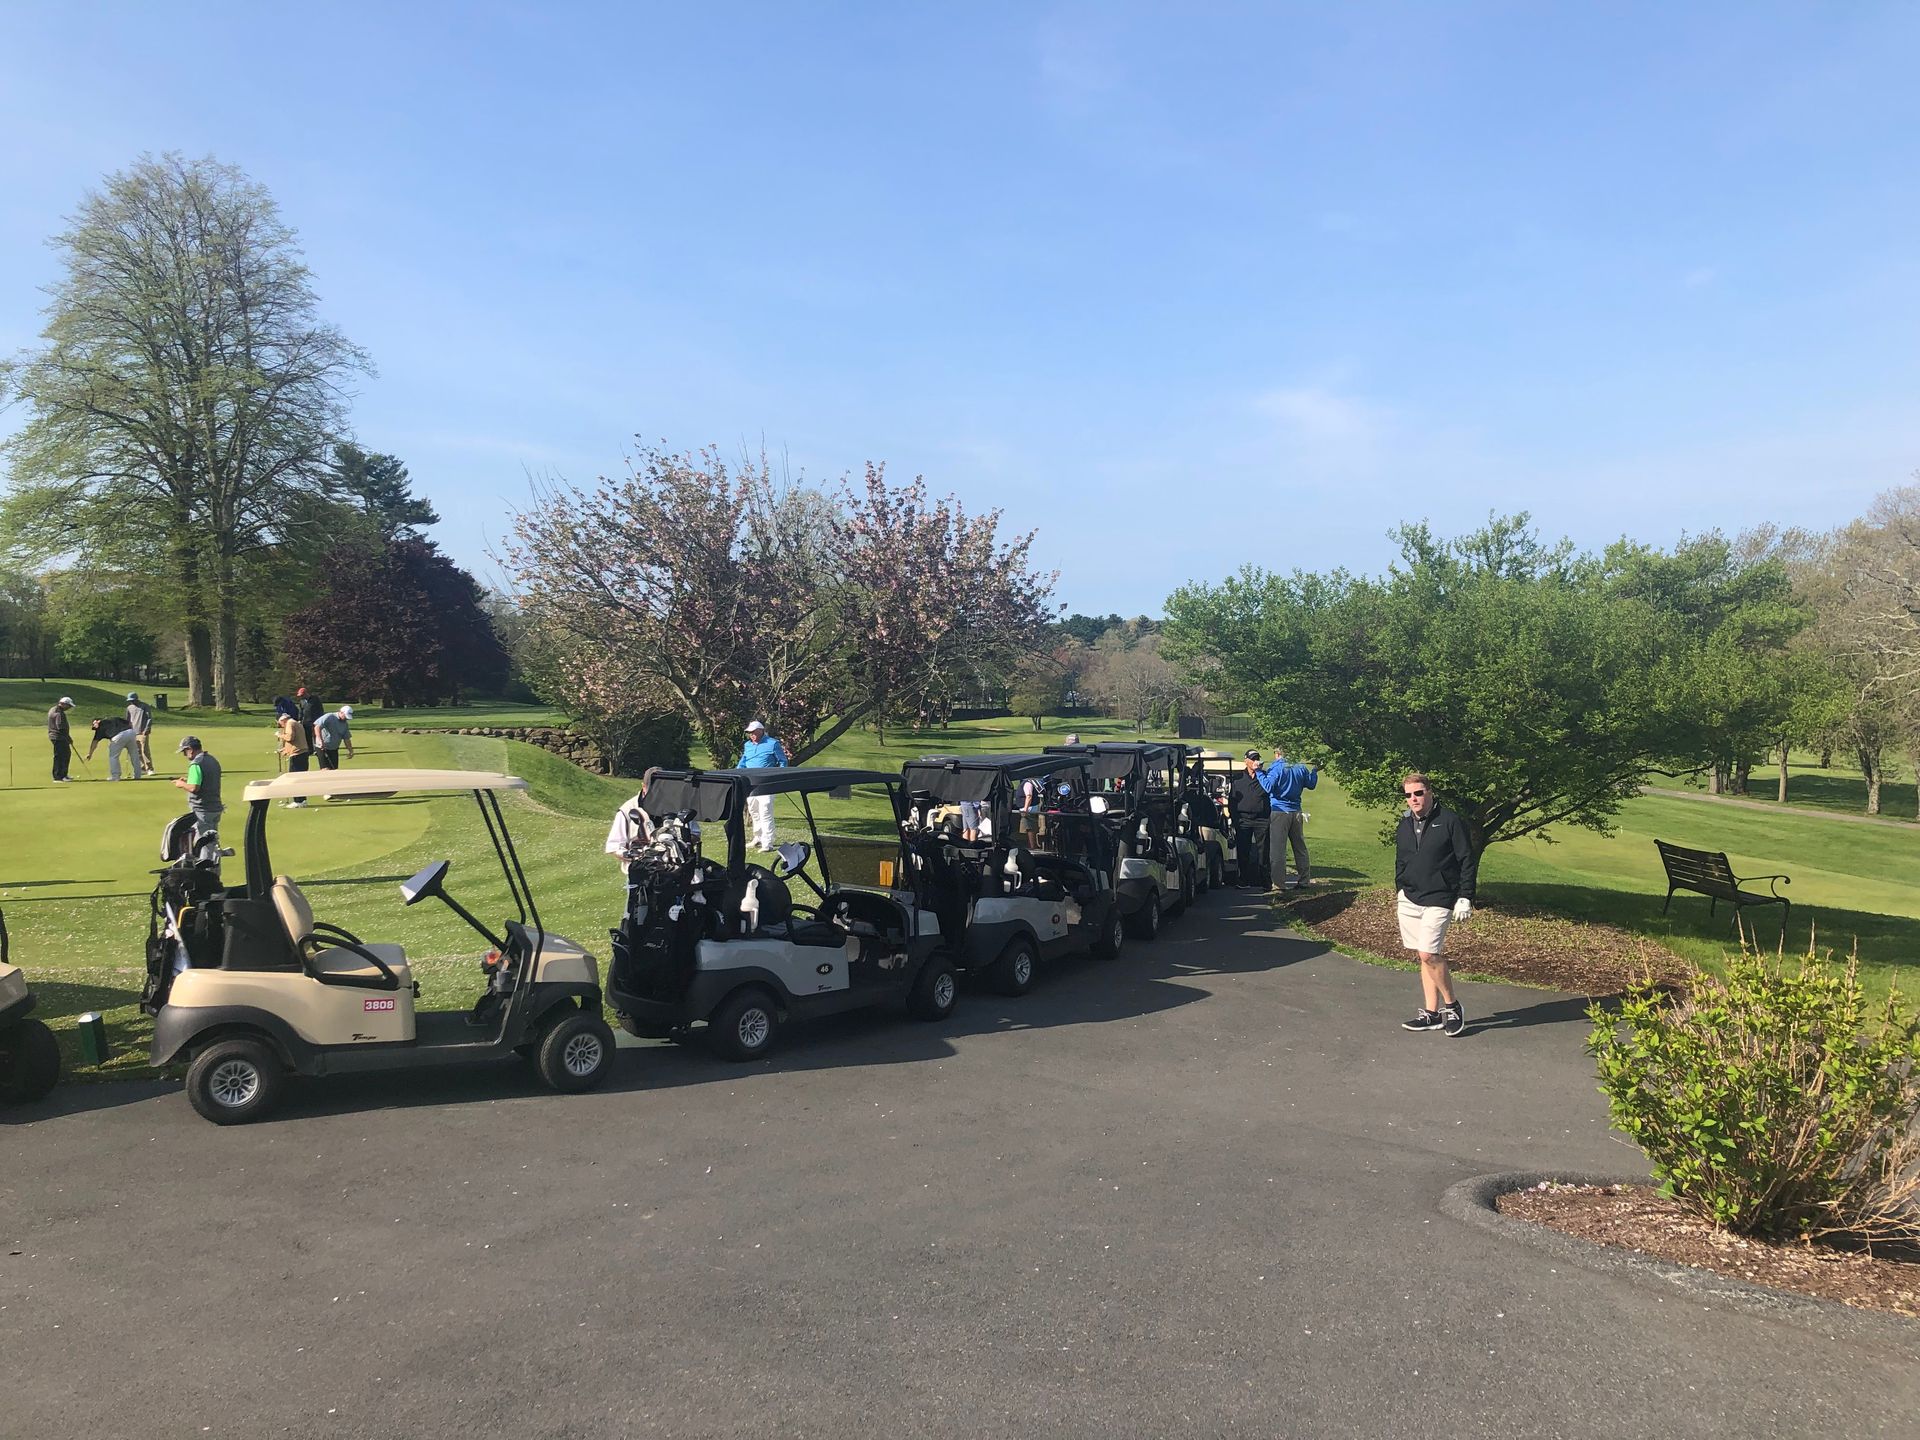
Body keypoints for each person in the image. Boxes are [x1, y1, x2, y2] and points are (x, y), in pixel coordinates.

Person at [1395, 772, 1477, 1038]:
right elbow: (1402, 859)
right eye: (1408, 795)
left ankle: (1452, 1007)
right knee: (1422, 953)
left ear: (1429, 792)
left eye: (1418, 793)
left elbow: (1466, 860)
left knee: (1429, 954)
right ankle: (1431, 1013)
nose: (1414, 799)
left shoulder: (1450, 821)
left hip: (1440, 896)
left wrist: (1466, 895)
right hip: (1410, 896)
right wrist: (1400, 886)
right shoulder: (1404, 824)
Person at [1261, 750, 1319, 889]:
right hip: (1296, 811)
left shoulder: (1276, 768)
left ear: (1277, 753)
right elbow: (1311, 784)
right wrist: (1315, 770)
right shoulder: (1300, 767)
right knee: (1300, 848)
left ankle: (1279, 884)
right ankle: (1304, 880)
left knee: (1278, 850)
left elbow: (1268, 787)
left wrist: (1259, 772)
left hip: (1279, 811)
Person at [736, 719, 788, 850]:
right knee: (754, 811)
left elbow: (782, 761)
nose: (751, 735)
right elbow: (743, 761)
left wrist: (778, 777)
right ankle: (757, 837)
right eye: (749, 733)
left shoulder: (772, 743)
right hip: (750, 783)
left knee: (765, 811)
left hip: (766, 783)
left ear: (761, 731)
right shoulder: (748, 745)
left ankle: (767, 842)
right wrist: (737, 773)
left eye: (753, 732)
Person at [1226, 750, 1271, 888]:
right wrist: (1235, 818)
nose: (1255, 761)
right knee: (1243, 850)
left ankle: (1265, 881)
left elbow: (1270, 792)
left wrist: (1259, 772)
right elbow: (1232, 800)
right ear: (1246, 760)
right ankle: (1244, 879)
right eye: (1252, 759)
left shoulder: (1264, 777)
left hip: (1261, 819)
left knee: (1263, 851)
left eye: (1257, 758)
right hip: (1243, 818)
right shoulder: (1238, 778)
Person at [605, 767, 661, 866]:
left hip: (672, 872)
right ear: (644, 787)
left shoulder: (677, 806)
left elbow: (694, 834)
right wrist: (635, 856)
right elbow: (614, 846)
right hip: (639, 871)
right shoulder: (627, 810)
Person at [173, 735, 224, 839]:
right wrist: (188, 780)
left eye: (184, 751)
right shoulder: (212, 760)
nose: (184, 755)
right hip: (215, 808)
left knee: (203, 843)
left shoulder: (196, 764)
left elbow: (194, 788)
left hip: (202, 810)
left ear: (190, 750)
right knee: (212, 840)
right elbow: (207, 779)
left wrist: (181, 784)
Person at [274, 696, 312, 807]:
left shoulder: (290, 723)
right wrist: (285, 749)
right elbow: (295, 740)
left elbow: (290, 737)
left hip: (297, 754)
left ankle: (298, 801)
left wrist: (280, 735)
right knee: (301, 778)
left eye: (280, 723)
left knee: (294, 778)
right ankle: (302, 800)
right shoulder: (296, 723)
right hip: (302, 753)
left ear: (282, 720)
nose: (281, 725)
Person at [84, 714, 145, 780]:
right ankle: (138, 775)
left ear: (98, 721)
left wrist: (90, 754)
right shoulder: (113, 718)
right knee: (134, 754)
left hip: (118, 737)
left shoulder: (100, 727)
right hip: (130, 732)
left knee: (113, 756)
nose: (95, 727)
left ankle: (115, 776)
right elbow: (129, 723)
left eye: (94, 724)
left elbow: (95, 742)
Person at [314, 704, 355, 773]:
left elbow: (346, 739)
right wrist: (319, 739)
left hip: (334, 749)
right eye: (345, 716)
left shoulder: (345, 724)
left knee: (334, 770)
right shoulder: (329, 716)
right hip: (323, 747)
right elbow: (317, 726)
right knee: (325, 770)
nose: (346, 718)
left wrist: (350, 750)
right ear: (341, 712)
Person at [46, 696, 74, 783]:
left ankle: (63, 775)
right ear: (63, 704)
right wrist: (68, 737)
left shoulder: (54, 709)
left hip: (57, 736)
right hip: (59, 737)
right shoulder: (59, 713)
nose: (69, 708)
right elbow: (60, 727)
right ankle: (58, 777)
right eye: (68, 706)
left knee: (64, 755)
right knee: (61, 756)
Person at [125, 692, 155, 772]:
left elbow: (149, 718)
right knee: (137, 751)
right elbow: (128, 721)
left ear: (136, 699)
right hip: (133, 733)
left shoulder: (144, 706)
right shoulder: (129, 708)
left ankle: (149, 768)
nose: (132, 702)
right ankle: (142, 767)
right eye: (130, 700)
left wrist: (147, 729)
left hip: (143, 732)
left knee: (145, 750)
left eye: (133, 700)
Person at [296, 686, 324, 752]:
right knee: (307, 736)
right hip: (306, 721)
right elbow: (301, 711)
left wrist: (320, 719)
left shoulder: (315, 699)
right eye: (300, 695)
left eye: (302, 695)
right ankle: (310, 750)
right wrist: (299, 719)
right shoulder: (302, 701)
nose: (301, 697)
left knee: (316, 735)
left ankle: (317, 749)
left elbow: (320, 710)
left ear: (306, 693)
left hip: (315, 721)